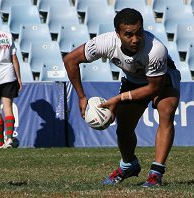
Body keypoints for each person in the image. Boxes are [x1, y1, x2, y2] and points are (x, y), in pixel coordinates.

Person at [64, 8, 180, 187]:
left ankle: (156, 173)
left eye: (139, 32)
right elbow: (70, 60)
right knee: (123, 129)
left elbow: (154, 88)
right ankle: (128, 165)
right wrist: (81, 96)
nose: (135, 39)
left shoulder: (156, 50)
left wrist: (118, 99)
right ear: (117, 34)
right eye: (129, 34)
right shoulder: (105, 43)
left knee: (166, 112)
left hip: (162, 79)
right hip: (133, 80)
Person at [0, 12, 22, 149]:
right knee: (8, 108)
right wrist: (18, 77)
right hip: (8, 75)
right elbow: (14, 58)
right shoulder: (6, 35)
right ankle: (9, 140)